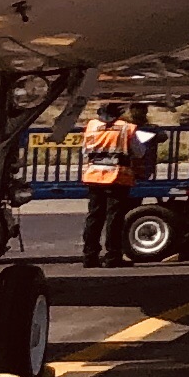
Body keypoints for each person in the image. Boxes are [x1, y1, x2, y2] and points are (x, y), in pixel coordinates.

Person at [79, 99, 148, 268]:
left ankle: (90, 256)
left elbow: (84, 150)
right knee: (114, 218)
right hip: (117, 178)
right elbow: (139, 152)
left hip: (94, 177)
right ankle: (113, 256)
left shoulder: (91, 126)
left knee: (94, 217)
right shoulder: (126, 128)